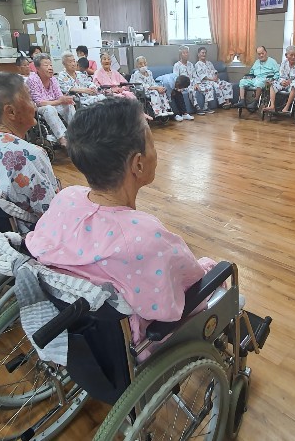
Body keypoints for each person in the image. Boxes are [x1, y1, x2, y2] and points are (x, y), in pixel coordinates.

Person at [24, 97, 219, 353]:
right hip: (141, 342)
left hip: (84, 333)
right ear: (138, 163)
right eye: (151, 142)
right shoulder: (144, 238)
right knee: (221, 277)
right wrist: (211, 267)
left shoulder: (65, 198)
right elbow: (189, 291)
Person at [0, 71, 59, 230]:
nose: (34, 105)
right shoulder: (30, 155)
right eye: (29, 98)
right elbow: (51, 212)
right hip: (32, 232)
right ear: (11, 111)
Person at [25, 53, 75, 148]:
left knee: (69, 105)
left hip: (53, 104)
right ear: (37, 68)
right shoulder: (32, 79)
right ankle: (62, 138)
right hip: (38, 108)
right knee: (49, 109)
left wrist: (65, 99)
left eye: (51, 65)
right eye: (46, 65)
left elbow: (59, 96)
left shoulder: (53, 79)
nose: (50, 68)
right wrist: (59, 101)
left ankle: (76, 132)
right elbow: (39, 102)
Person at [267, 45, 295, 114]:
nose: (293, 57)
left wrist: (290, 82)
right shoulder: (284, 63)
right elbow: (281, 75)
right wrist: (282, 81)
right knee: (273, 84)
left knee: (294, 85)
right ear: (286, 55)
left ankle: (286, 107)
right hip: (285, 83)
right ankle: (272, 106)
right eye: (291, 55)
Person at [237, 46, 279, 110]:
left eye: (262, 53)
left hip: (266, 80)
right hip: (255, 79)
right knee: (242, 81)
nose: (261, 55)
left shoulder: (272, 61)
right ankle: (242, 101)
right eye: (259, 54)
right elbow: (251, 72)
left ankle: (255, 102)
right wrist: (249, 77)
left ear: (266, 52)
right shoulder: (256, 62)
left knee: (259, 83)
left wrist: (272, 79)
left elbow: (277, 73)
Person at [173, 45, 209, 115]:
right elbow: (176, 78)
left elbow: (195, 76)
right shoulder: (177, 65)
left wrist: (197, 84)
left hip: (193, 83)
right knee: (191, 90)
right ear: (180, 54)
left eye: (187, 52)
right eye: (184, 53)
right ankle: (197, 107)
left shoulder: (190, 64)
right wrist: (179, 87)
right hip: (184, 85)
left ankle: (206, 107)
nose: (186, 54)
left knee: (207, 87)